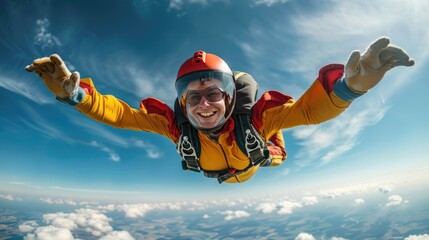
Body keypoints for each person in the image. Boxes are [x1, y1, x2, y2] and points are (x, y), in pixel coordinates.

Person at [25, 37, 414, 184]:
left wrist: (351, 86)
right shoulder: (176, 126)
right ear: (183, 101)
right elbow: (121, 115)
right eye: (193, 98)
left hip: (250, 163)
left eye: (214, 93)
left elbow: (310, 112)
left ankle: (266, 151)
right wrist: (75, 96)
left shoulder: (258, 117)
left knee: (268, 144)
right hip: (224, 172)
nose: (204, 104)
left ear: (230, 96)